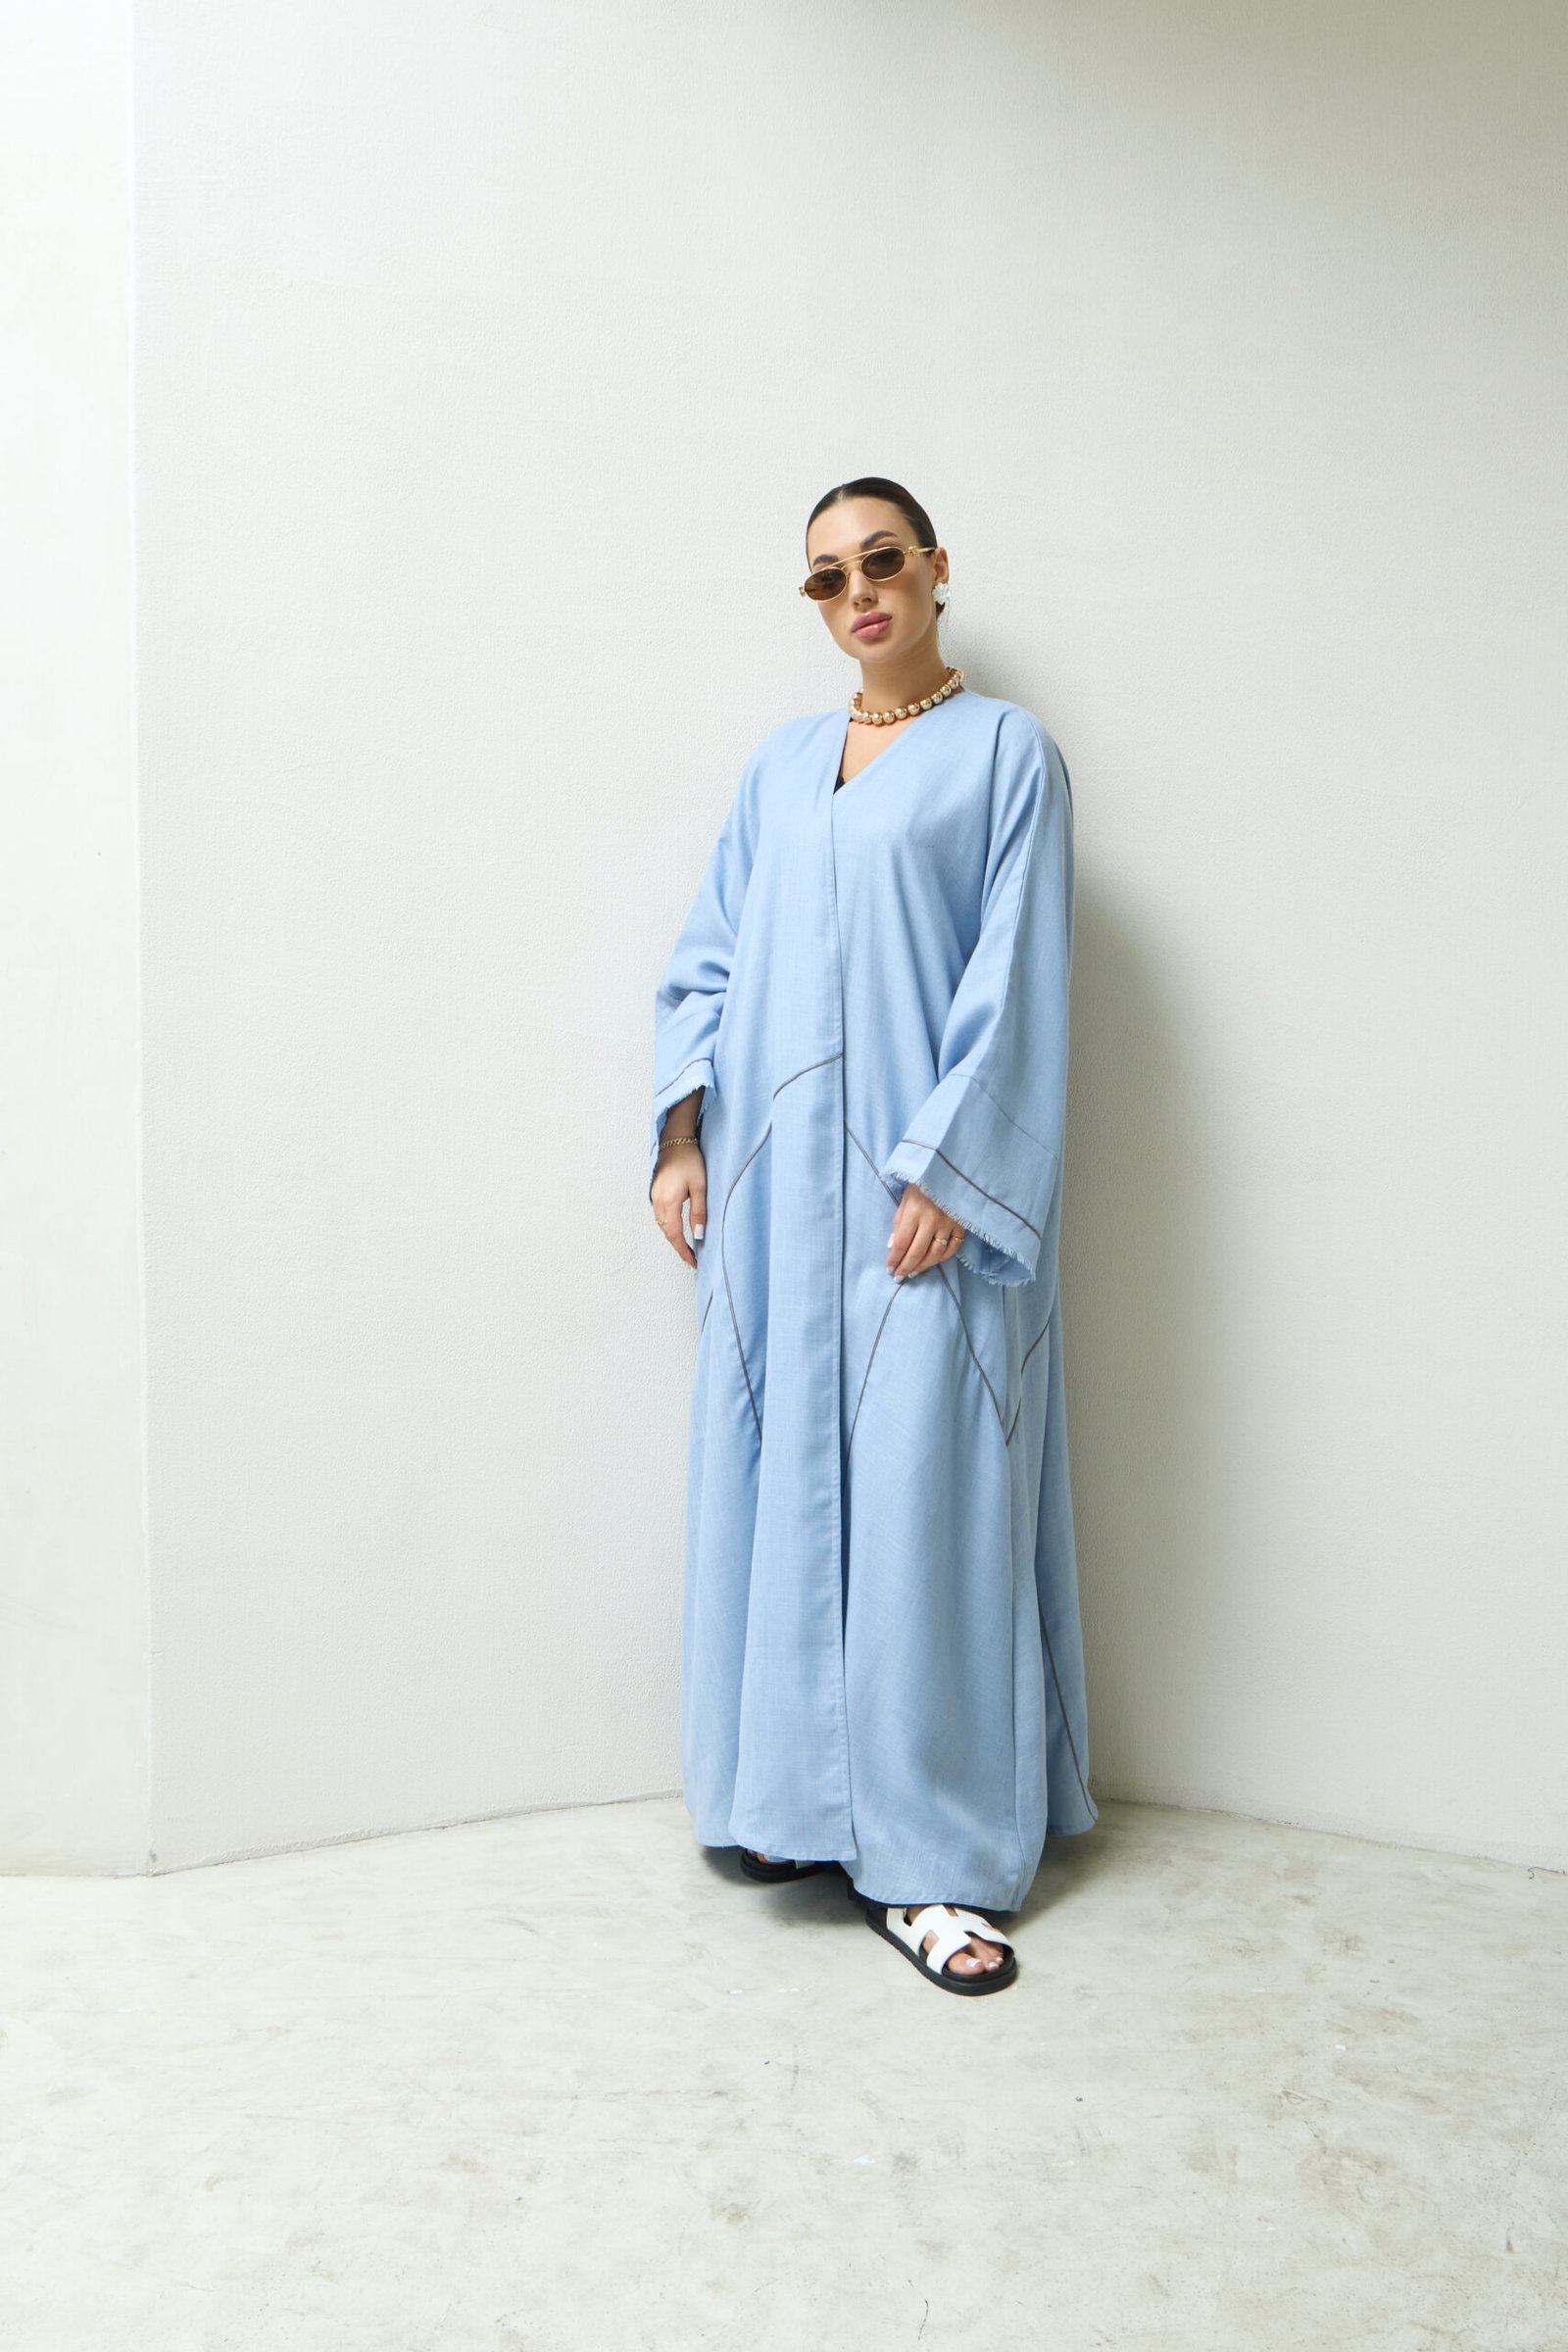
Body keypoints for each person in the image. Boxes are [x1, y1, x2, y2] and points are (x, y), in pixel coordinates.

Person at [647, 475, 1096, 1997]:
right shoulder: (780, 768)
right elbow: (709, 955)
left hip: (928, 1207)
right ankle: (796, 1805)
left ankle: (938, 1863)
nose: (859, 594)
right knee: (786, 1487)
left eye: (882, 562)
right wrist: (682, 1135)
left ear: (936, 568)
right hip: (779, 1208)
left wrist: (952, 1173)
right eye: (828, 577)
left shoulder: (1008, 756)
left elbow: (1019, 973)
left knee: (929, 1507)